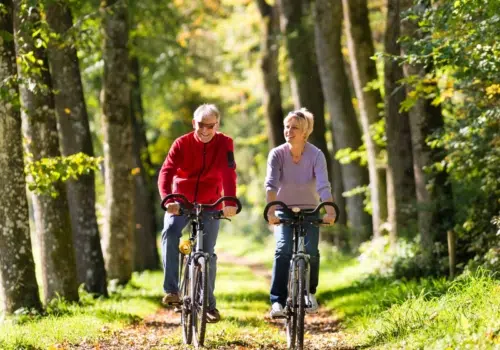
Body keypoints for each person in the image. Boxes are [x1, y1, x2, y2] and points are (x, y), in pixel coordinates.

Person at [158, 103, 238, 323]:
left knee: (207, 254)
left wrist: (229, 201)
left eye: (210, 126)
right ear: (194, 123)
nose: (205, 130)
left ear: (217, 125)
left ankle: (208, 305)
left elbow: (228, 173)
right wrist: (168, 199)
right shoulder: (181, 144)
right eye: (201, 125)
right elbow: (166, 172)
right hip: (180, 201)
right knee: (171, 232)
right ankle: (172, 290)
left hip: (211, 202)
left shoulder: (225, 143)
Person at [264, 108, 336, 318]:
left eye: (294, 127)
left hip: (310, 210)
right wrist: (271, 210)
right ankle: (277, 301)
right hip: (283, 211)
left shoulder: (316, 155)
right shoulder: (277, 154)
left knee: (311, 251)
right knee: (283, 249)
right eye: (287, 126)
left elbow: (323, 186)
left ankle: (310, 292)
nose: (289, 131)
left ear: (305, 132)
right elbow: (271, 184)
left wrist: (329, 211)